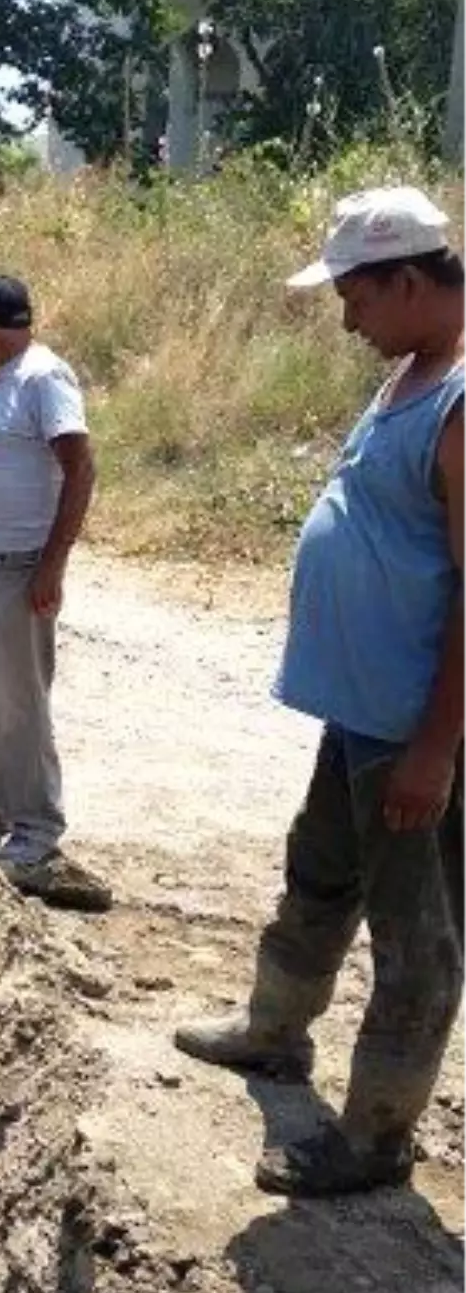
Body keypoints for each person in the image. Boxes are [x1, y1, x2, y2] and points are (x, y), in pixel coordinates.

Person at [176, 186, 466, 1198]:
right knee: (319, 873)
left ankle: (378, 1136)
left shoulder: (463, 397)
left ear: (408, 280)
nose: (347, 319)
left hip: (411, 726)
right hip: (359, 710)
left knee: (413, 933)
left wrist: (436, 748)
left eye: (355, 297)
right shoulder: (409, 374)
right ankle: (273, 1031)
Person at [0, 272, 95, 868]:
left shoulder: (43, 376)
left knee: (17, 704)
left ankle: (36, 832)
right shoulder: (4, 381)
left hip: (19, 568)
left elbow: (80, 469)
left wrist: (51, 567)